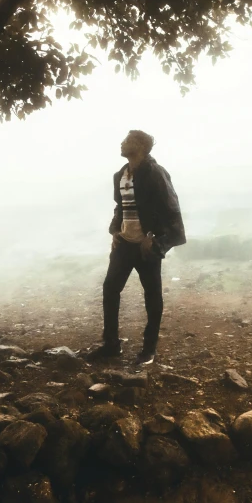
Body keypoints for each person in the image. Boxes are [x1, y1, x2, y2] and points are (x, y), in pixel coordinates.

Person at [88, 130, 186, 365]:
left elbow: (172, 212)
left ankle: (149, 350)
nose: (121, 143)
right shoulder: (120, 175)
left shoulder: (155, 174)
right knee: (110, 289)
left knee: (152, 296)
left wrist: (157, 241)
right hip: (123, 244)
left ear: (140, 145)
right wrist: (115, 231)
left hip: (146, 247)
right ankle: (111, 345)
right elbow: (120, 207)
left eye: (127, 140)